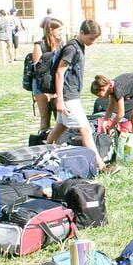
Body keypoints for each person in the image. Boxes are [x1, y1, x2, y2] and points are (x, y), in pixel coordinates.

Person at [45, 20, 108, 172]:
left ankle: (45, 154)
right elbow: (59, 73)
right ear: (81, 32)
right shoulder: (72, 48)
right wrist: (60, 99)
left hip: (71, 95)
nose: (92, 42)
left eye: (95, 39)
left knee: (60, 128)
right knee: (85, 129)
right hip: (68, 96)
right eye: (91, 38)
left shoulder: (79, 46)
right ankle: (101, 166)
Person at [30, 18, 63, 130]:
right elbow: (38, 68)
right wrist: (53, 53)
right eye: (59, 29)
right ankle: (44, 138)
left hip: (56, 83)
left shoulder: (61, 44)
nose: (61, 32)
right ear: (51, 29)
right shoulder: (39, 45)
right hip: (41, 84)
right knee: (45, 117)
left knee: (60, 118)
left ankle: (59, 140)